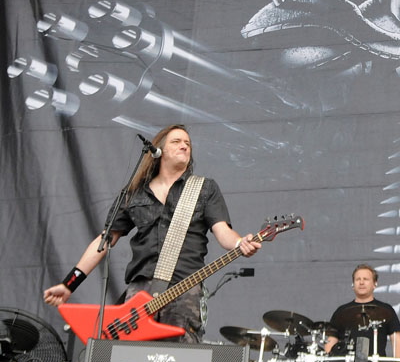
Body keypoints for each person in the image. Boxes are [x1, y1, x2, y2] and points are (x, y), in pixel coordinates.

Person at [43, 124, 261, 343]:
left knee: (178, 361)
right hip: (139, 293)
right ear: (158, 151)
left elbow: (223, 232)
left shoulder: (204, 188)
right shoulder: (134, 192)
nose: (184, 146)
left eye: (188, 143)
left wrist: (240, 242)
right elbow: (104, 241)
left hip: (183, 288)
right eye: (176, 142)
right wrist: (69, 283)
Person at [324, 264, 400, 362]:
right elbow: (331, 342)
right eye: (358, 279)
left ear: (375, 284)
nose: (361, 282)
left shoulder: (386, 309)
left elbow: (396, 340)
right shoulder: (341, 311)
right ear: (353, 284)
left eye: (365, 279)